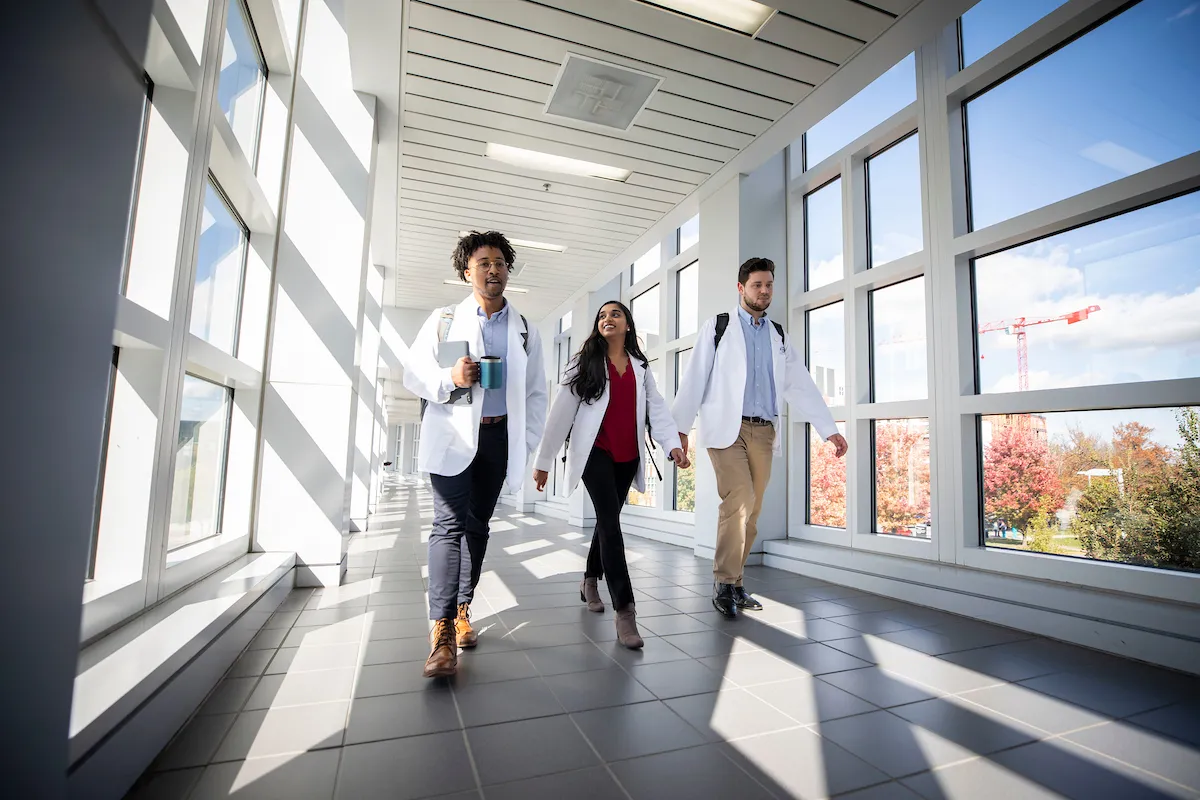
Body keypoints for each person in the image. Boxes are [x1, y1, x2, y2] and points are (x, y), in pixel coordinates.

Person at [403, 230, 547, 677]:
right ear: (467, 271)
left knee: (478, 526)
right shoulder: (444, 319)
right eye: (483, 262)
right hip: (452, 434)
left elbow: (538, 393)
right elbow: (413, 373)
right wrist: (450, 376)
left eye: (500, 263)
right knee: (447, 526)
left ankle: (463, 605)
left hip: (498, 439)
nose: (493, 269)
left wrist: (523, 444)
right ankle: (442, 630)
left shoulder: (525, 330)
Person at [672, 257, 848, 619]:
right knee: (739, 500)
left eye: (769, 285)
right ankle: (723, 582)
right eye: (757, 285)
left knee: (752, 511)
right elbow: (694, 378)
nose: (765, 291)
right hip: (727, 429)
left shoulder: (777, 335)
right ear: (741, 288)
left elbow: (799, 384)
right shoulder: (718, 327)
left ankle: (736, 583)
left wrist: (828, 429)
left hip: (763, 430)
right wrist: (679, 429)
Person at [532, 301, 688, 648]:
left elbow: (657, 411)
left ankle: (589, 579)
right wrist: (543, 460)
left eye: (615, 314)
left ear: (628, 325)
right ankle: (626, 612)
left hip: (628, 456)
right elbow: (560, 413)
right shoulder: (584, 364)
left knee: (607, 521)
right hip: (594, 454)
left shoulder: (641, 368)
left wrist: (671, 444)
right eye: (602, 315)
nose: (607, 319)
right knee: (611, 524)